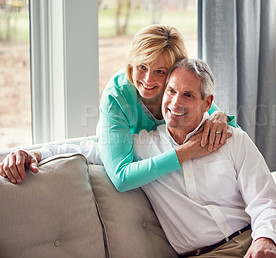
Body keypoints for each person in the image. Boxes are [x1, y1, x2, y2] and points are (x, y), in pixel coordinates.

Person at [2, 59, 276, 258]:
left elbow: (266, 201)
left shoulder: (231, 138)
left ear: (208, 102)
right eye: (171, 91)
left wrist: (265, 240)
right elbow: (87, 146)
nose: (176, 103)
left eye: (188, 95)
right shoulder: (142, 146)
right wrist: (31, 152)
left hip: (257, 241)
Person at [0, 25, 237, 186]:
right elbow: (119, 174)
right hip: (137, 161)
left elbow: (222, 121)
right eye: (141, 67)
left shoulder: (178, 94)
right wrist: (36, 153)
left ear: (174, 72)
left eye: (160, 71)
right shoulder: (118, 96)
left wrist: (221, 117)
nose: (148, 80)